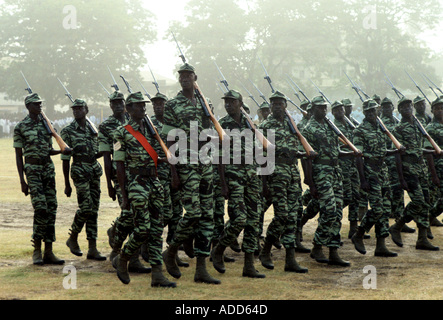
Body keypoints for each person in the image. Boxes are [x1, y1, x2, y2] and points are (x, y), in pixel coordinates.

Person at [161, 63, 220, 284]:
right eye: (181, 76)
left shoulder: (207, 102)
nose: (185, 78)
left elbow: (213, 130)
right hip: (186, 165)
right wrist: (173, 172)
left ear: (195, 77)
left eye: (188, 75)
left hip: (206, 164)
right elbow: (168, 139)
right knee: (193, 214)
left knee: (208, 216)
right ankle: (172, 250)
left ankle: (201, 269)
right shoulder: (173, 105)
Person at [111, 92, 176, 287]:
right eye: (137, 105)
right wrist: (124, 194)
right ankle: (123, 258)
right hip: (135, 182)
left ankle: (157, 274)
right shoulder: (120, 133)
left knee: (156, 230)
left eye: (143, 105)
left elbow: (159, 154)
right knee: (142, 229)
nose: (142, 108)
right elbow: (119, 165)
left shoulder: (152, 131)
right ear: (128, 109)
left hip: (154, 181)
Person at [211, 89, 265, 278]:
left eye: (232, 102)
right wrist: (223, 183)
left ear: (240, 104)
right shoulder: (222, 125)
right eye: (226, 102)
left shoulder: (250, 123)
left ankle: (249, 265)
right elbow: (218, 157)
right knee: (239, 219)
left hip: (251, 175)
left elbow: (259, 150)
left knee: (254, 220)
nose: (228, 105)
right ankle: (218, 249)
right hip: (233, 175)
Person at [258, 91, 309, 273]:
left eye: (280, 103)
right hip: (276, 175)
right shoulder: (265, 127)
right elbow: (262, 157)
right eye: (274, 104)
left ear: (285, 106)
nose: (277, 106)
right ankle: (265, 250)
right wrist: (264, 184)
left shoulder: (290, 125)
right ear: (270, 107)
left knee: (294, 215)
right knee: (281, 216)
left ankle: (290, 259)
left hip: (292, 174)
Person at [99, 91, 150, 273]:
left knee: (137, 217)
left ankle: (130, 254)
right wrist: (110, 184)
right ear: (111, 105)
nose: (118, 105)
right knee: (130, 214)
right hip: (122, 176)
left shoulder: (141, 122)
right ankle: (119, 248)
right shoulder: (106, 127)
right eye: (114, 103)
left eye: (121, 101)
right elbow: (107, 157)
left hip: (142, 176)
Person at [302, 96, 356, 267]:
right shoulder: (309, 129)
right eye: (319, 108)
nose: (323, 110)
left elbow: (336, 150)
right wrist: (310, 182)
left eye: (325, 107)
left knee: (338, 212)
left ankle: (333, 250)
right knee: (329, 211)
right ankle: (317, 246)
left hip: (335, 171)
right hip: (321, 173)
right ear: (313, 109)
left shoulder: (329, 126)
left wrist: (352, 153)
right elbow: (306, 157)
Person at [13, 93, 66, 265]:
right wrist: (22, 180)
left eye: (40, 104)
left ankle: (48, 250)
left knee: (52, 207)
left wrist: (62, 151)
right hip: (33, 170)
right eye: (36, 104)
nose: (39, 106)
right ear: (28, 107)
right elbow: (18, 155)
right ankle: (36, 249)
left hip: (47, 169)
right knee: (41, 207)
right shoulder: (21, 127)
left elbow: (49, 150)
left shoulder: (46, 126)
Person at [351, 99, 401, 257]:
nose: (372, 113)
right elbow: (358, 156)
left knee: (385, 209)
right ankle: (358, 234)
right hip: (370, 171)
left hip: (382, 170)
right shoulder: (360, 131)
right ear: (365, 113)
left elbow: (383, 151)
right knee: (377, 209)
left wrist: (397, 150)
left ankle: (381, 245)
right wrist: (363, 179)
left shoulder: (381, 128)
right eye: (369, 111)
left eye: (374, 110)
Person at [389, 97, 439, 251]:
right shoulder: (398, 129)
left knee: (426, 203)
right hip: (408, 169)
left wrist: (434, 152)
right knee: (418, 201)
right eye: (403, 107)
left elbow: (420, 149)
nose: (407, 109)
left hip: (421, 167)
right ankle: (397, 225)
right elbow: (396, 153)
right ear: (399, 110)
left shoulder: (419, 125)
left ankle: (422, 238)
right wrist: (401, 177)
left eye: (409, 106)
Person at [61, 99, 106, 261]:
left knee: (94, 210)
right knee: (86, 207)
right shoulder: (67, 131)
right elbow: (65, 159)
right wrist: (66, 184)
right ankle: (72, 237)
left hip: (94, 170)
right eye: (75, 109)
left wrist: (108, 148)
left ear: (86, 110)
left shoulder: (92, 130)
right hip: (79, 171)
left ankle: (92, 248)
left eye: (80, 108)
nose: (77, 111)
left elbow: (96, 153)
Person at [425, 97, 443, 226]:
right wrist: (433, 174)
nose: (440, 111)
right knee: (436, 200)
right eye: (437, 109)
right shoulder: (430, 128)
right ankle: (429, 217)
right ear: (432, 111)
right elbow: (428, 153)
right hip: (437, 169)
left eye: (442, 108)